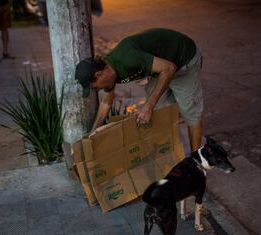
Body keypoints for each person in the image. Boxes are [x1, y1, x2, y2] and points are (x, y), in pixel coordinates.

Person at [75, 28, 204, 151]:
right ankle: (167, 152)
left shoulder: (128, 58)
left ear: (99, 75)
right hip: (161, 67)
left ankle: (197, 163)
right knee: (159, 111)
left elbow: (169, 68)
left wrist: (148, 106)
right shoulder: (109, 75)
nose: (97, 89)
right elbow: (106, 103)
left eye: (94, 86)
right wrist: (93, 133)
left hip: (184, 60)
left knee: (190, 113)